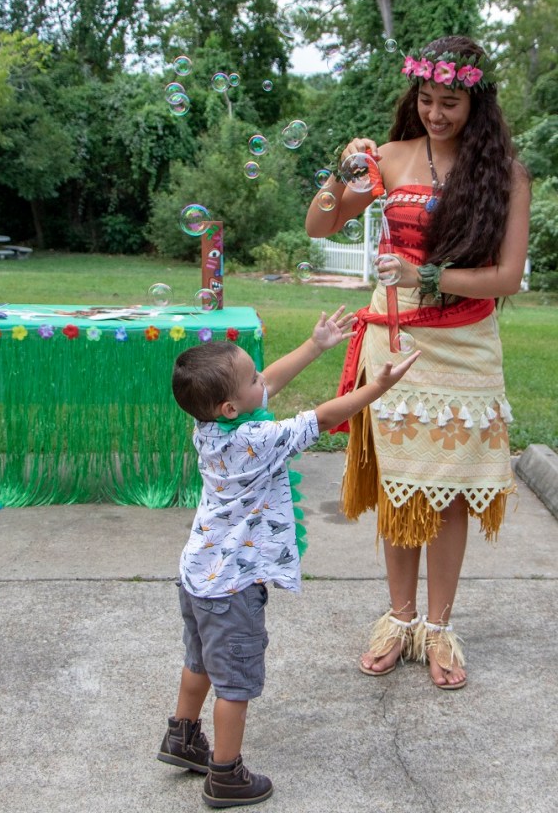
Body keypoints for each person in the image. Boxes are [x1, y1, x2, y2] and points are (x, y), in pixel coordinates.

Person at [305, 35, 531, 690]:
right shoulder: (391, 157)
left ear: (476, 102)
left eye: (451, 102)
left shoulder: (506, 174)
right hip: (397, 343)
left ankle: (438, 628)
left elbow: (508, 277)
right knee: (402, 490)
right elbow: (320, 226)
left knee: (452, 493)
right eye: (427, 99)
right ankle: (397, 621)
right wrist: (339, 172)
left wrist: (426, 273)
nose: (436, 113)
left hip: (466, 348)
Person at [159, 309, 419, 808]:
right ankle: (225, 775)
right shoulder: (258, 440)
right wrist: (378, 388)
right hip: (233, 586)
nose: (264, 378)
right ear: (231, 405)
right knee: (235, 684)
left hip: (198, 577)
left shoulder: (210, 427)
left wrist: (314, 344)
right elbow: (323, 416)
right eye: (253, 377)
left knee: (200, 663)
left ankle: (182, 738)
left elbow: (266, 384)